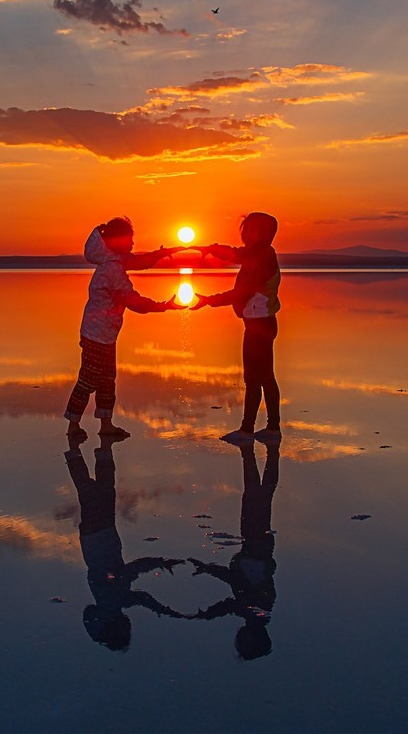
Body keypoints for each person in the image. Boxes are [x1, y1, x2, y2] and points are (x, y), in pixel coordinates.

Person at [65, 217, 184, 441]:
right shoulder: (112, 270)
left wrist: (163, 253)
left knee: (107, 380)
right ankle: (73, 425)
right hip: (95, 335)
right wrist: (164, 306)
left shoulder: (114, 261)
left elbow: (139, 262)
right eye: (129, 240)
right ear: (115, 242)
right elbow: (133, 301)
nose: (132, 245)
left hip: (106, 335)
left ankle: (106, 424)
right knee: (88, 379)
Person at [65, 434, 187, 651]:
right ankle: (82, 450)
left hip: (101, 535)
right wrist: (162, 608)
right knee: (88, 490)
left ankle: (92, 448)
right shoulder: (109, 604)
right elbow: (141, 598)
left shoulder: (112, 602)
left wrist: (159, 562)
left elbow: (131, 573)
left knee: (98, 488)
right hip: (93, 540)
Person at [191, 212, 283, 443]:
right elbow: (234, 253)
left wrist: (208, 301)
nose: (245, 234)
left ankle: (248, 431)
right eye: (245, 229)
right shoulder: (258, 255)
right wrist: (211, 248)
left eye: (251, 229)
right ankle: (272, 429)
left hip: (259, 326)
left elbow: (242, 292)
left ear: (263, 233)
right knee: (264, 378)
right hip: (261, 323)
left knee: (255, 379)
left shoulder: (262, 258)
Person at [186, 438, 280, 660]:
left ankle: (263, 457)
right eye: (242, 644)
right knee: (260, 497)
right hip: (257, 549)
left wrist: (208, 570)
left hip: (253, 548)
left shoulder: (256, 611)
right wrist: (209, 613)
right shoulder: (259, 609)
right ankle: (265, 456)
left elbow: (234, 585)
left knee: (258, 496)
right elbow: (235, 592)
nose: (238, 640)